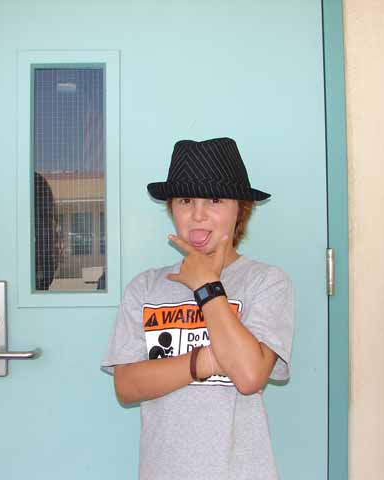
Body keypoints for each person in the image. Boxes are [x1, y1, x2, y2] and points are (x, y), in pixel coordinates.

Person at [101, 137, 294, 479]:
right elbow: (127, 386)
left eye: (215, 200)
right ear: (172, 208)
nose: (198, 214)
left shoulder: (266, 282)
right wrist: (206, 360)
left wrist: (207, 287)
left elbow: (249, 376)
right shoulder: (145, 287)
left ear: (241, 210)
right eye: (185, 200)